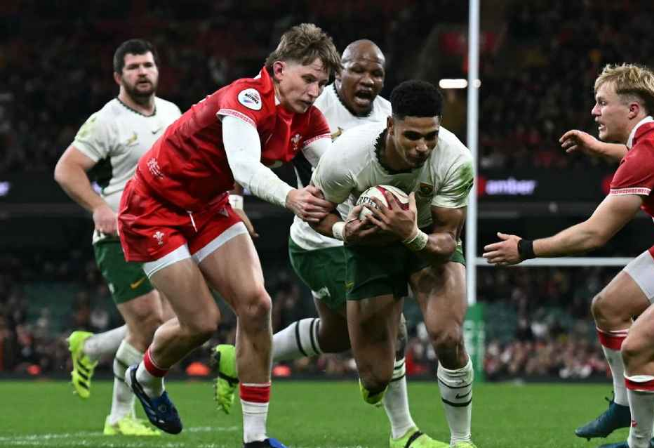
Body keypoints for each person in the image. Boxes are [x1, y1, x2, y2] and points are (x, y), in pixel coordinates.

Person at [484, 63, 654, 448]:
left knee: (637, 347)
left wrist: (525, 249)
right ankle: (621, 404)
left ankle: (641, 444)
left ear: (632, 109)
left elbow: (593, 234)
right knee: (608, 307)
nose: (594, 111)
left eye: (602, 103)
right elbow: (638, 154)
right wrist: (599, 148)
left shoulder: (646, 156)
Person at [212, 41, 447, 448]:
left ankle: (245, 356)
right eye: (358, 70)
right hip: (322, 240)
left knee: (336, 336)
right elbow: (246, 150)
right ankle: (404, 432)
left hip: (371, 238)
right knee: (391, 325)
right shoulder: (309, 103)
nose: (368, 80)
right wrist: (235, 202)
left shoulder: (393, 116)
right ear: (339, 74)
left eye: (376, 73)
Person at [116, 24, 341, 448]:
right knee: (201, 322)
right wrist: (292, 197)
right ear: (279, 69)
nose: (315, 91)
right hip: (154, 207)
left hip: (207, 206)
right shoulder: (245, 97)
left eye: (322, 83)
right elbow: (244, 167)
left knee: (257, 304)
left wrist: (371, 201)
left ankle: (255, 439)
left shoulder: (309, 118)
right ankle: (145, 377)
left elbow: (334, 171)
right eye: (308, 79)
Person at [309, 80, 477, 448]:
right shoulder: (345, 156)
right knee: (375, 380)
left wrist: (412, 234)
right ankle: (378, 372)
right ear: (390, 125)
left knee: (448, 337)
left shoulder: (456, 159)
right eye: (412, 136)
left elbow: (448, 239)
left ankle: (461, 440)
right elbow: (314, 211)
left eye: (431, 136)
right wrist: (342, 230)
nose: (423, 147)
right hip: (369, 245)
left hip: (426, 238)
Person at [54, 39, 181, 437]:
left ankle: (90, 349)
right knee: (149, 322)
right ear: (118, 76)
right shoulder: (106, 120)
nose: (142, 72)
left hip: (164, 231)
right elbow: (66, 169)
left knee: (173, 323)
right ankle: (119, 417)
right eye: (133, 67)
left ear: (157, 70)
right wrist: (98, 207)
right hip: (120, 233)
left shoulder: (172, 112)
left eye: (148, 65)